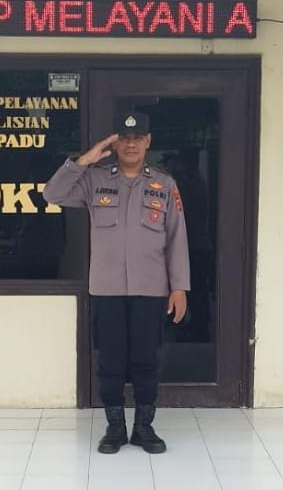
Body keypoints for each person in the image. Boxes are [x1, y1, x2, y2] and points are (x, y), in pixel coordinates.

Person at [44, 112, 190, 453]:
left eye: (138, 137)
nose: (131, 144)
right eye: (125, 138)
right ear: (115, 142)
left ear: (148, 141)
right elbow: (52, 193)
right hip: (107, 289)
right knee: (110, 360)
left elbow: (176, 237)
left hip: (150, 288)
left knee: (145, 360)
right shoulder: (94, 179)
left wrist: (179, 287)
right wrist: (83, 161)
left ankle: (144, 427)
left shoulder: (165, 184)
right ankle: (115, 428)